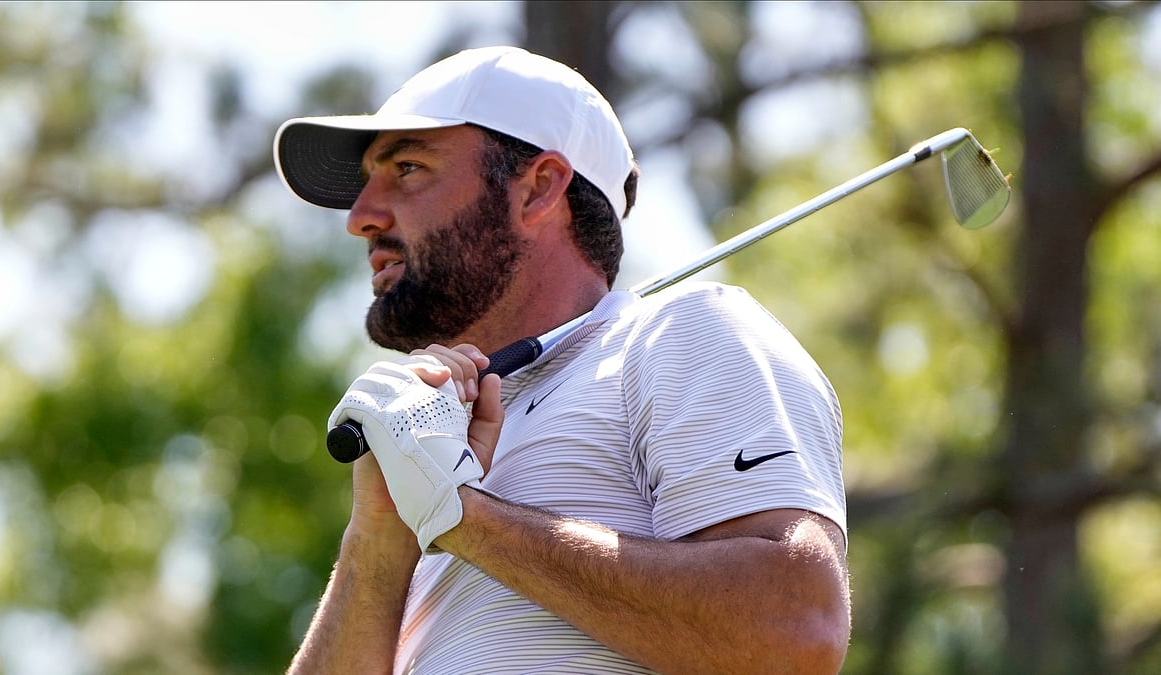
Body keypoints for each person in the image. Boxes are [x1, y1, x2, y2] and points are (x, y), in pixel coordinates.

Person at [273, 45, 850, 674]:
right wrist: (380, 533)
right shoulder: (434, 433)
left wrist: (464, 517)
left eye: (407, 167)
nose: (360, 216)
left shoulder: (678, 334)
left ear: (539, 188)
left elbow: (796, 629)